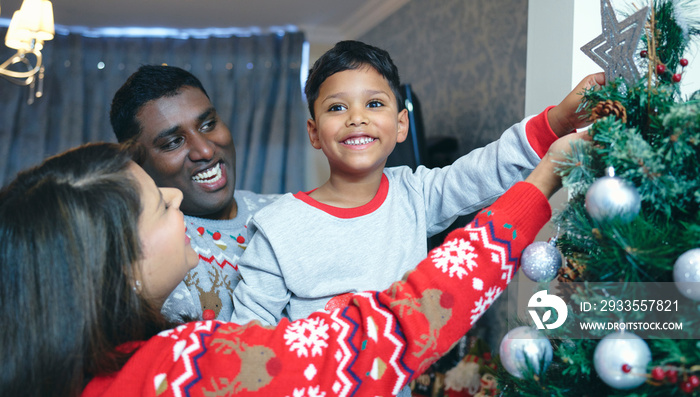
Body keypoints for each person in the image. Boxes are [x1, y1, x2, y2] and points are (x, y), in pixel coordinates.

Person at [0, 134, 575, 397]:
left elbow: (460, 182)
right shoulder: (186, 369)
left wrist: (542, 131)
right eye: (158, 204)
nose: (176, 200)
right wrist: (540, 184)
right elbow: (392, 330)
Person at [230, 40, 604, 326]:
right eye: (337, 107)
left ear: (401, 125)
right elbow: (247, 340)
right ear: (314, 133)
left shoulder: (415, 194)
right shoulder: (278, 227)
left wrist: (554, 122)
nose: (356, 118)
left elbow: (484, 170)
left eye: (374, 104)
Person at [110, 65, 279, 322]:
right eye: (173, 142)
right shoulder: (154, 254)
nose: (205, 151)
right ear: (136, 163)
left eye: (209, 124)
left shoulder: (286, 212)